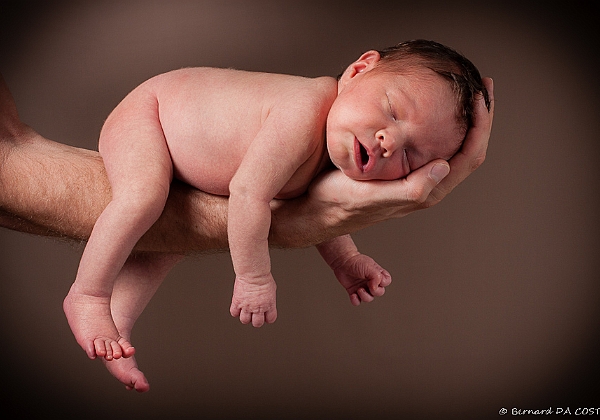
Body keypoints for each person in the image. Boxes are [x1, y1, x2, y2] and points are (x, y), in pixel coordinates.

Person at [0, 42, 494, 391]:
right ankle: (87, 295)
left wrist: (347, 260)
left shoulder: (330, 150)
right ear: (360, 70)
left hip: (188, 162)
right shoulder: (306, 107)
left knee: (171, 240)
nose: (390, 143)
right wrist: (254, 278)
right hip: (151, 114)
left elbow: (313, 209)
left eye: (411, 157)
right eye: (391, 110)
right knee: (143, 197)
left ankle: (118, 331)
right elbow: (249, 193)